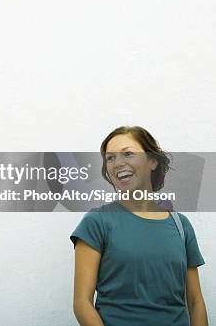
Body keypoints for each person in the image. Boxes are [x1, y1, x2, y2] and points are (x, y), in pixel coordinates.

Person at [71, 126, 208, 326]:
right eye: (110, 158)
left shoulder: (181, 225)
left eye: (128, 153)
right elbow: (82, 303)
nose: (118, 163)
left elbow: (195, 302)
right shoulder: (97, 221)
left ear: (152, 161)